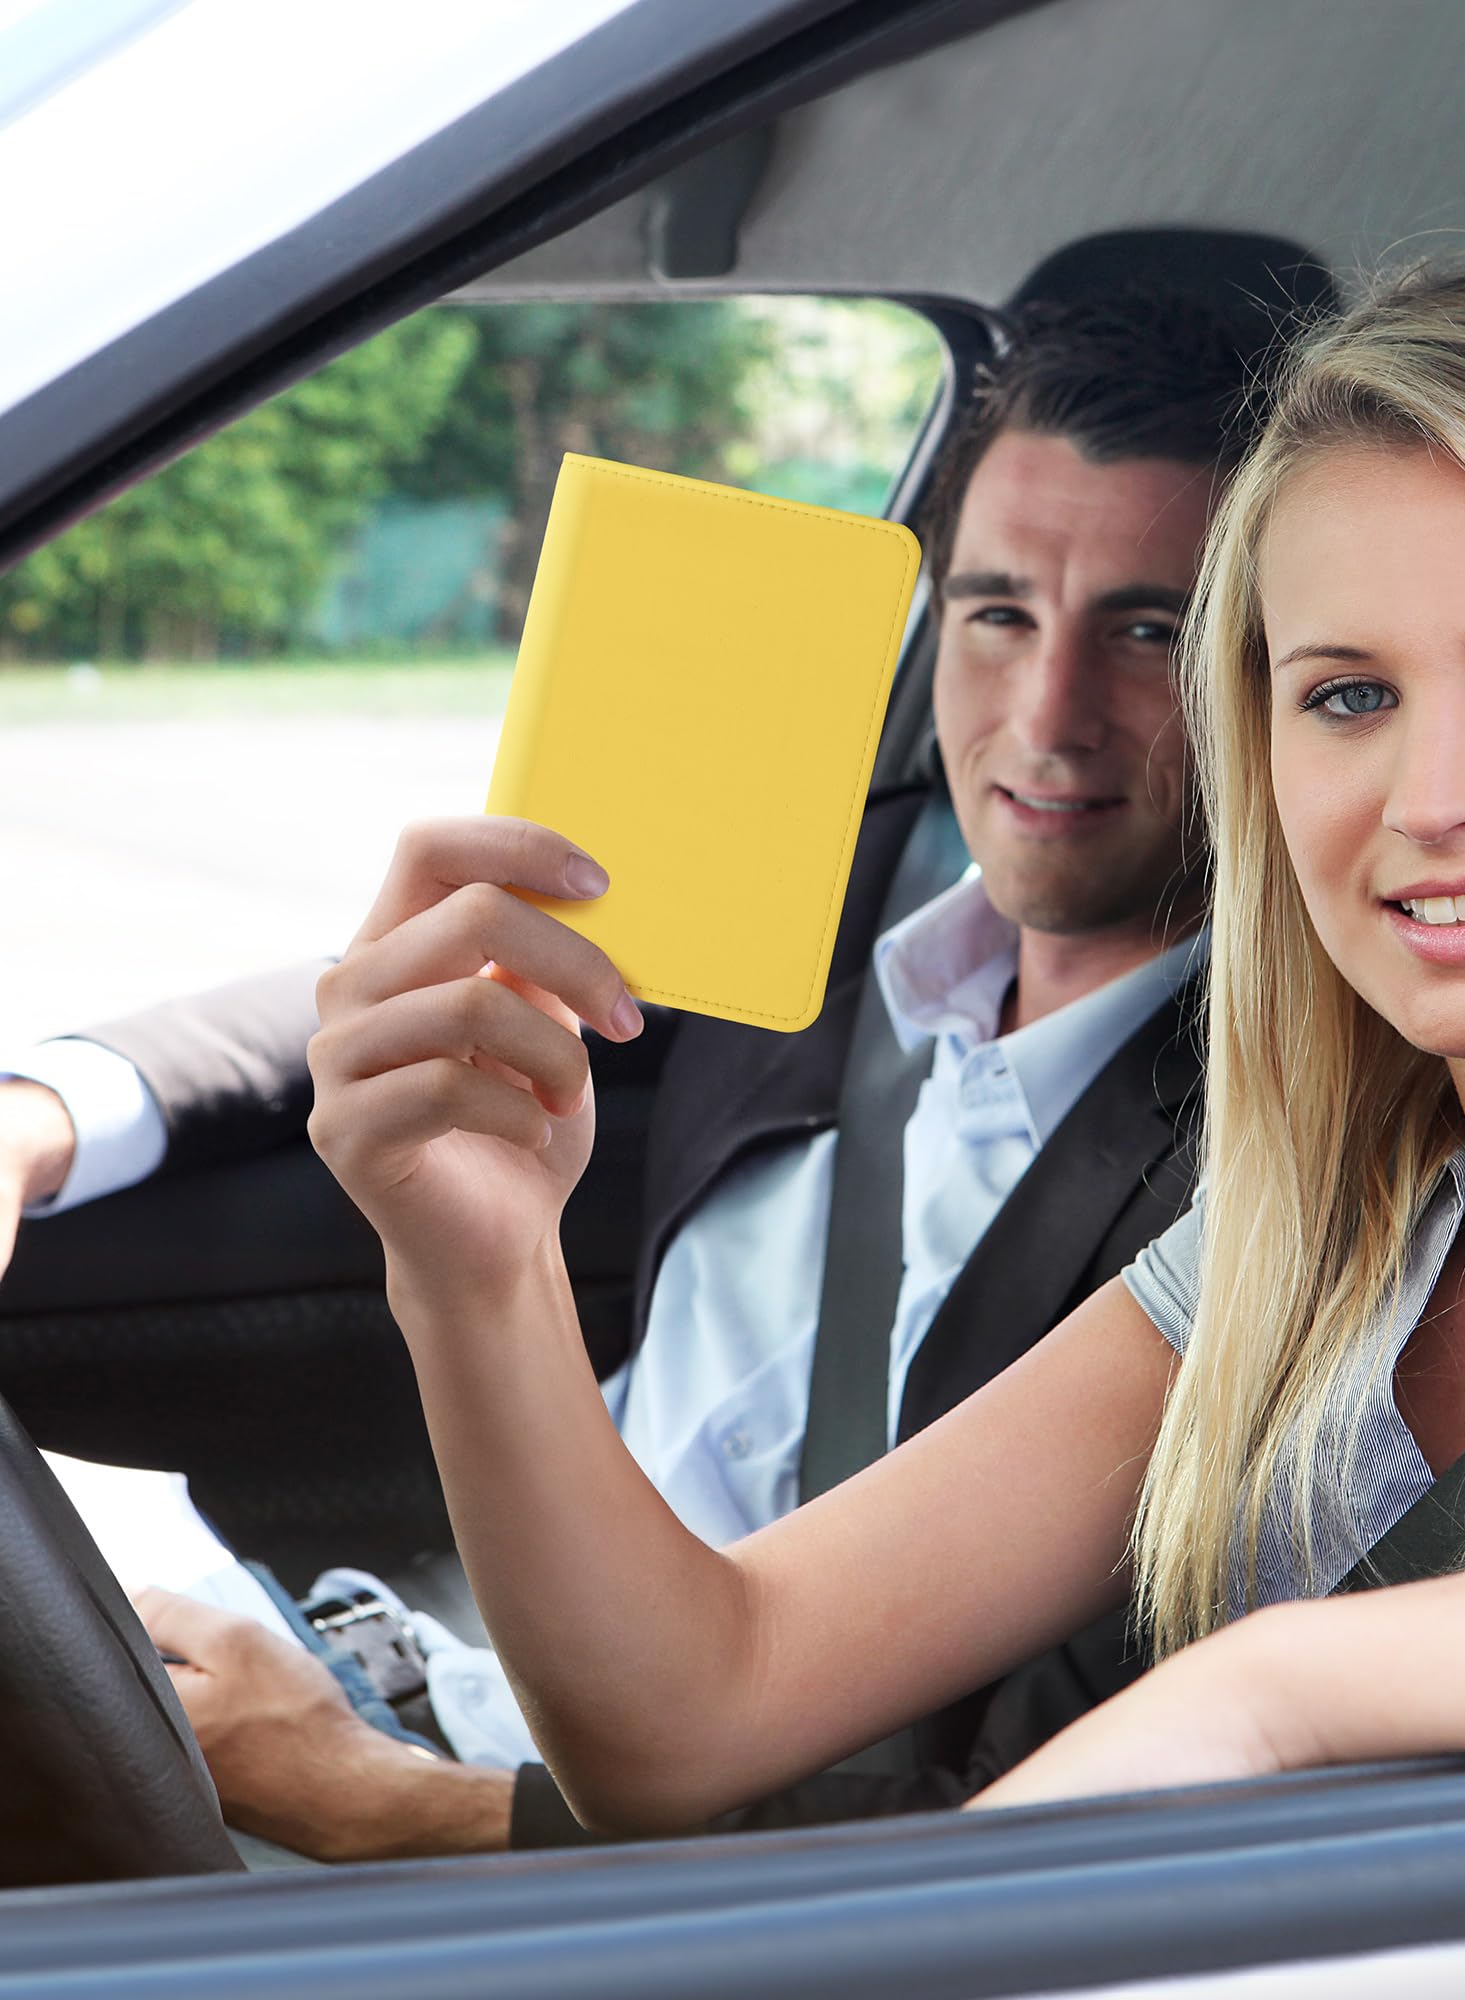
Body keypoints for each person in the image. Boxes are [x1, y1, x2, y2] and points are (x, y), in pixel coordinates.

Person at [298, 251, 1465, 1837]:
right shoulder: (1321, 1239)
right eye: (1346, 696)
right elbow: (690, 1713)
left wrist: (1284, 1696)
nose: (1433, 800)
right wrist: (477, 1278)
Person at [0, 292, 1257, 1855]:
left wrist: (380, 1805)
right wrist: (46, 1110)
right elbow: (420, 983)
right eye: (998, 612)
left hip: (617, 1851)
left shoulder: (1267, 1175)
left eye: (1147, 630)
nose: (1047, 717)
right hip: (433, 1671)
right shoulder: (831, 888)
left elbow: (995, 1821)